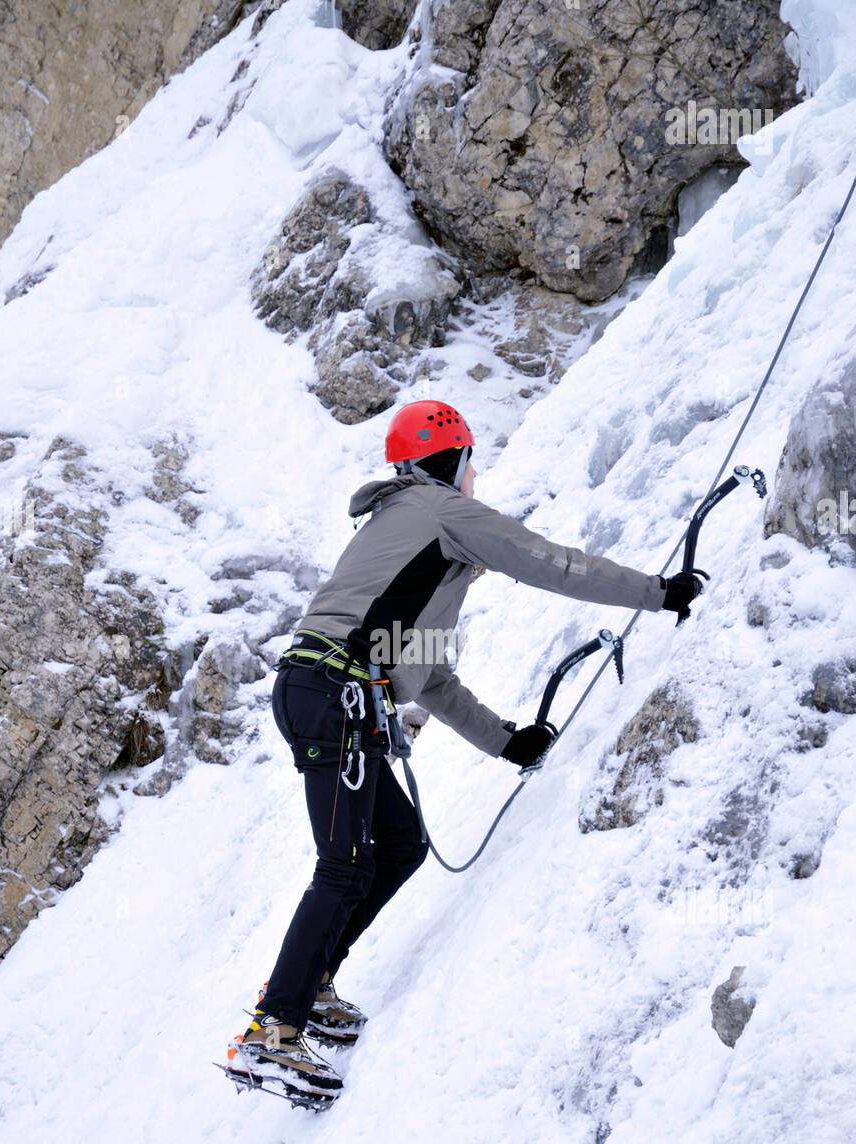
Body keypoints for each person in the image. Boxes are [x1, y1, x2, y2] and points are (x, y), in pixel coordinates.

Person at [225, 399, 705, 1104]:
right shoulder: (440, 512)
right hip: (334, 692)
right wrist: (656, 593)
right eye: (468, 459)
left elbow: (429, 676)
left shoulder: (416, 549)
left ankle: (310, 986)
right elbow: (553, 564)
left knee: (396, 845)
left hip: (323, 692)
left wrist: (506, 742)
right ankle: (272, 1032)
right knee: (344, 863)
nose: (473, 473)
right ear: (449, 458)